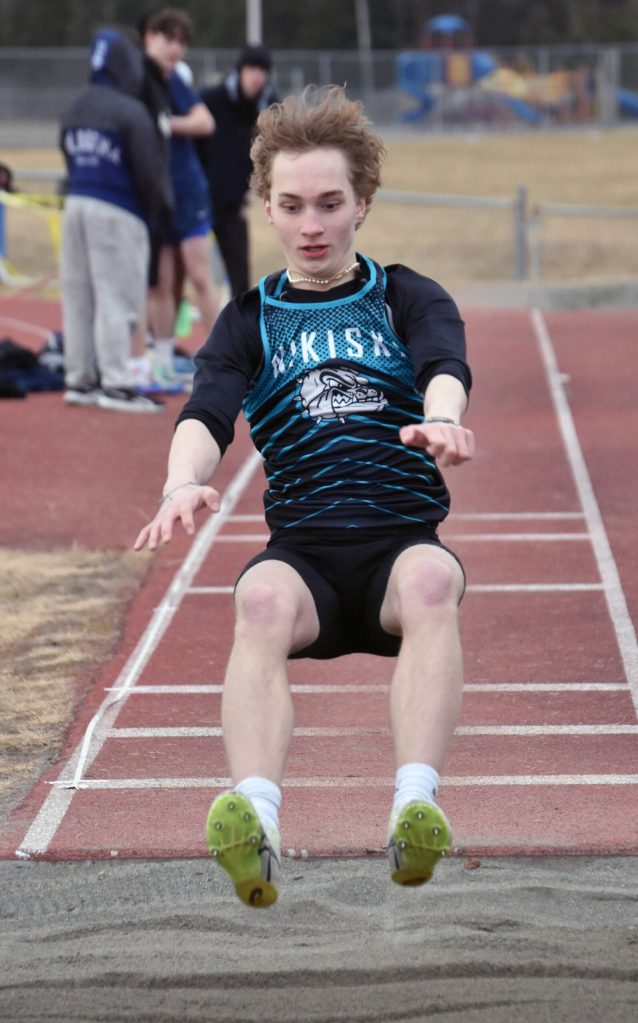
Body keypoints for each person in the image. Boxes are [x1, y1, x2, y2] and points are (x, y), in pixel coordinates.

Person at [134, 86, 474, 908]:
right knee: (255, 596)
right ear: (268, 207)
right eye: (291, 205)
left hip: (399, 549)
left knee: (435, 583)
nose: (311, 224)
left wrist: (442, 422)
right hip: (308, 564)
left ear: (363, 202)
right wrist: (184, 481)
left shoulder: (404, 295)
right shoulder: (249, 320)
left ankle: (414, 807)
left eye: (329, 203)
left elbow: (442, 366)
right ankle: (253, 819)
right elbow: (207, 413)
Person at [59, 28, 169, 412]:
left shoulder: (75, 105)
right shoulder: (130, 110)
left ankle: (79, 379)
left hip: (74, 205)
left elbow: (67, 155)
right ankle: (117, 383)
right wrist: (157, 210)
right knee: (116, 295)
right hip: (118, 210)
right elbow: (150, 171)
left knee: (78, 296)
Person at [142, 7, 220, 391]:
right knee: (162, 282)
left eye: (181, 42)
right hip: (158, 196)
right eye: (168, 39)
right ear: (149, 38)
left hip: (189, 193)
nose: (175, 48)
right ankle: (162, 361)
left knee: (200, 276)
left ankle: (227, 360)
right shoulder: (142, 80)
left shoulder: (174, 81)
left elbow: (206, 123)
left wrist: (166, 125)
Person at [198, 44, 279, 296]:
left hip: (233, 204)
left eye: (262, 71)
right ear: (240, 71)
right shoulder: (211, 99)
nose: (257, 77)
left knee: (240, 275)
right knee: (193, 271)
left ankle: (239, 331)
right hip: (199, 200)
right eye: (251, 69)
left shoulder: (268, 106)